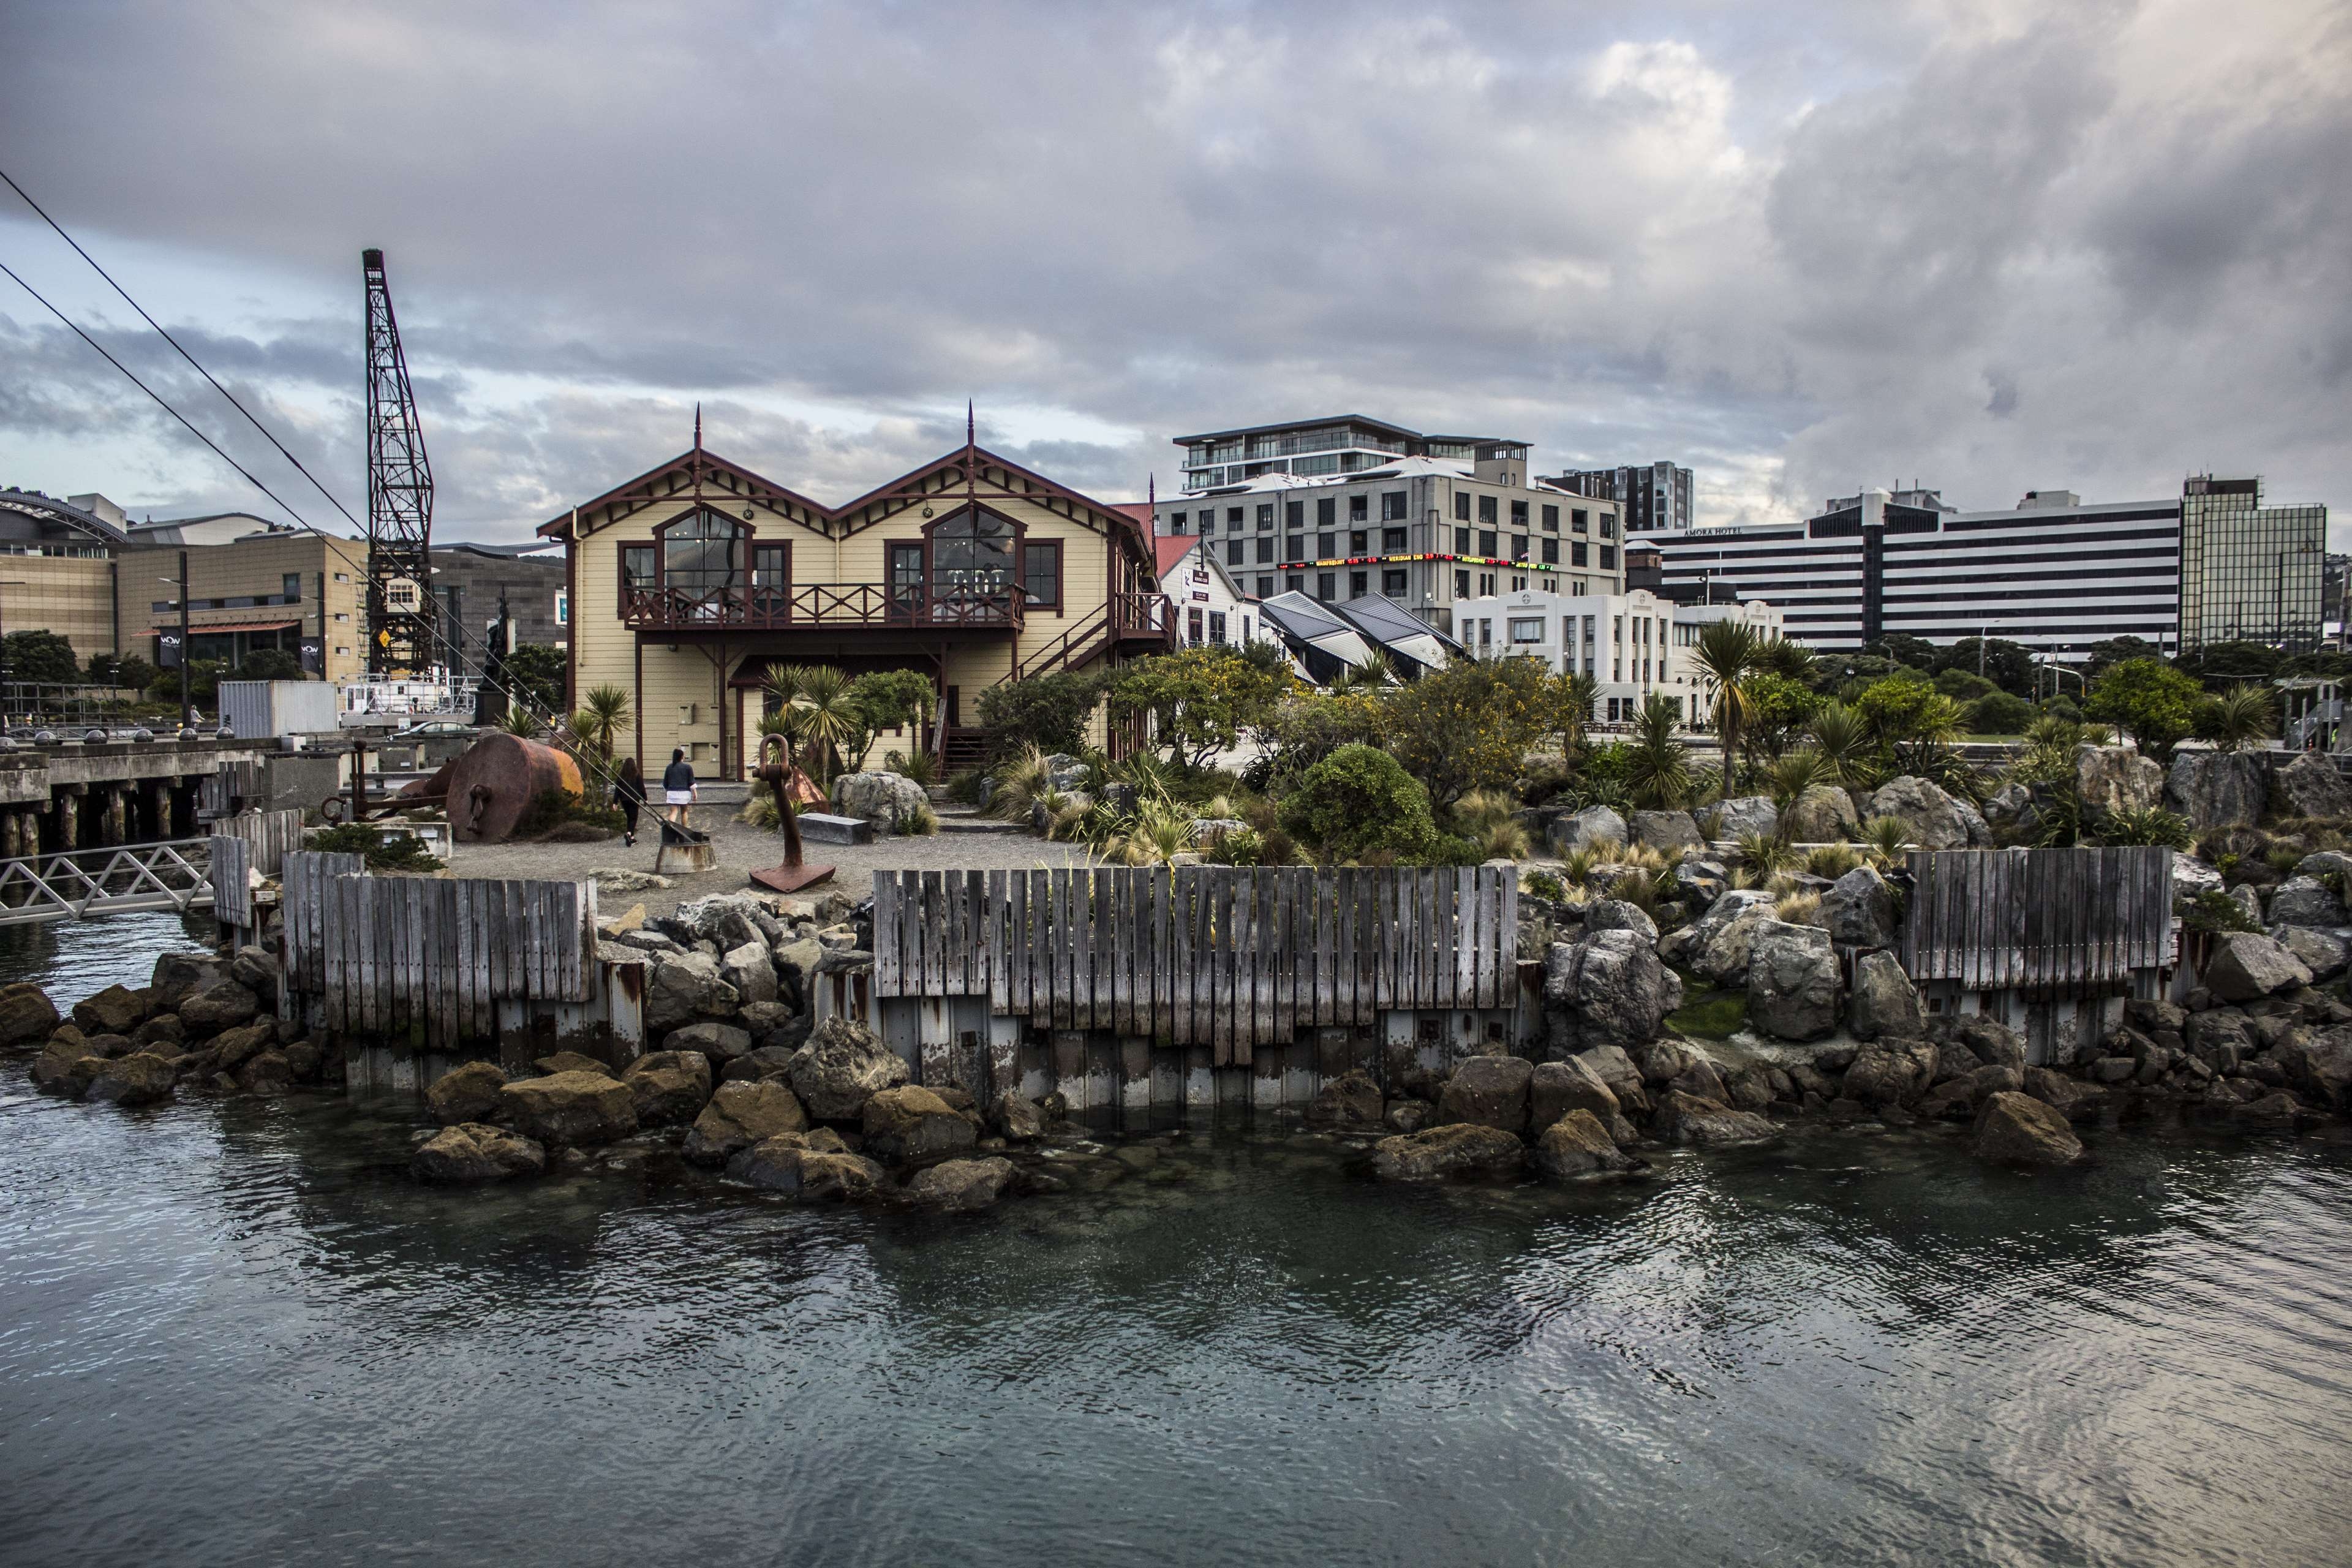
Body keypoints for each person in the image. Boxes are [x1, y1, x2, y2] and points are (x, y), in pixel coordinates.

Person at [610, 755, 647, 847]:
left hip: (624, 800)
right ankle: (630, 834)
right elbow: (641, 788)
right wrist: (645, 798)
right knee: (634, 818)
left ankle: (631, 838)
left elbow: (617, 790)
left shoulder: (621, 776)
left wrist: (615, 802)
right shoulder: (637, 775)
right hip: (634, 799)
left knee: (629, 818)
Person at [662, 747, 697, 831]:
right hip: (684, 793)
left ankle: (670, 831)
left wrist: (667, 791)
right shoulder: (688, 767)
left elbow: (665, 783)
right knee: (684, 812)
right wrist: (695, 793)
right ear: (682, 757)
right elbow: (691, 782)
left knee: (674, 812)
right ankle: (684, 831)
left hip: (672, 792)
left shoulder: (669, 767)